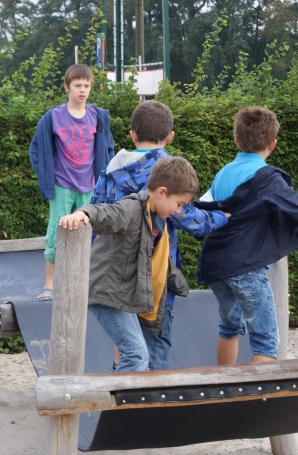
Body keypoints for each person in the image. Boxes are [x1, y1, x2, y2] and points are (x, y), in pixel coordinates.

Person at [91, 100, 229, 370]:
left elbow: (98, 213)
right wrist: (221, 218)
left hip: (117, 276)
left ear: (132, 134)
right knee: (154, 350)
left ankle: (122, 390)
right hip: (153, 278)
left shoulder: (111, 169)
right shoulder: (165, 171)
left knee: (127, 349)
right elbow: (189, 219)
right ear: (170, 136)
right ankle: (146, 396)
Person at [195, 107, 298, 365]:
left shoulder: (224, 172)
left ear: (236, 140)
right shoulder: (268, 178)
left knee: (229, 327)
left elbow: (206, 209)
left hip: (216, 264)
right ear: (273, 144)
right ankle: (260, 393)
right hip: (246, 267)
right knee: (266, 340)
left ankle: (225, 385)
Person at [59, 157, 198, 372]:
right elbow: (108, 213)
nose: (178, 210)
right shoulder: (133, 208)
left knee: (138, 354)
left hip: (120, 295)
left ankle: (123, 392)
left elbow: (157, 261)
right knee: (136, 354)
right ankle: (119, 395)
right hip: (106, 292)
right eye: (179, 204)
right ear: (162, 192)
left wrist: (179, 284)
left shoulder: (155, 219)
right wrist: (83, 213)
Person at [29, 63, 115, 301]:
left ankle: (83, 284)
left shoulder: (98, 116)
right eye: (78, 85)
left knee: (90, 234)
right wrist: (46, 176)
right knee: (56, 233)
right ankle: (50, 285)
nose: (82, 90)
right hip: (62, 185)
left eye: (86, 85)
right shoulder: (53, 117)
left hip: (90, 185)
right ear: (67, 87)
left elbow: (108, 148)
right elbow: (36, 149)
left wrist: (104, 178)